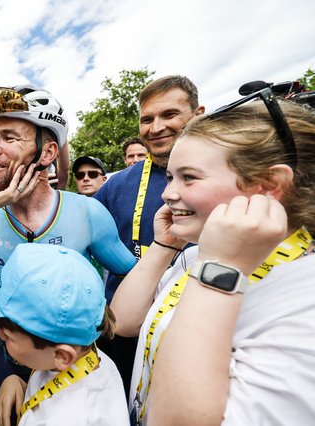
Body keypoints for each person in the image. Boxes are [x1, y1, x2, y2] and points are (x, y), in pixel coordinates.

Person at [110, 91, 315, 425]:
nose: (167, 193)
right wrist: (166, 246)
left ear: (269, 184)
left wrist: (222, 270)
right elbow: (123, 321)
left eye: (189, 177)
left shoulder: (305, 300)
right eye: (170, 176)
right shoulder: (198, 256)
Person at [0, 84, 136, 402]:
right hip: (8, 360)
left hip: (75, 364)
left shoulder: (87, 213)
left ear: (48, 153)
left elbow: (137, 279)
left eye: (9, 138)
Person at [93, 75, 205, 397]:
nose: (155, 128)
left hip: (205, 330)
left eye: (169, 115)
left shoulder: (232, 178)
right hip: (126, 334)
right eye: (147, 119)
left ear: (198, 114)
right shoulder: (115, 186)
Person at [0, 244, 128, 426]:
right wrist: (17, 382)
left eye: (8, 335)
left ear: (62, 356)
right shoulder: (84, 350)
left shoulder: (70, 419)